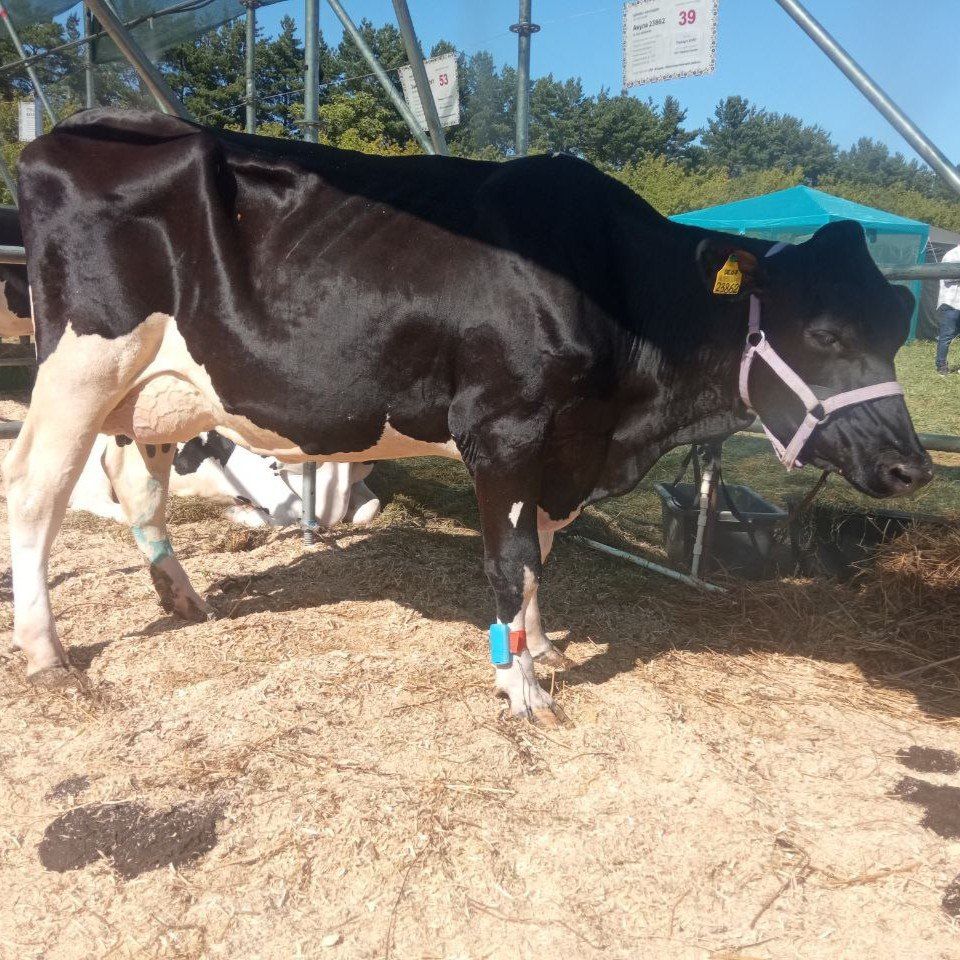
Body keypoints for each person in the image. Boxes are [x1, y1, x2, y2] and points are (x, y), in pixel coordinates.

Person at [935, 242, 960, 374]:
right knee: (946, 337)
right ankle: (941, 367)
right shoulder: (951, 255)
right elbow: (947, 277)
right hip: (950, 303)